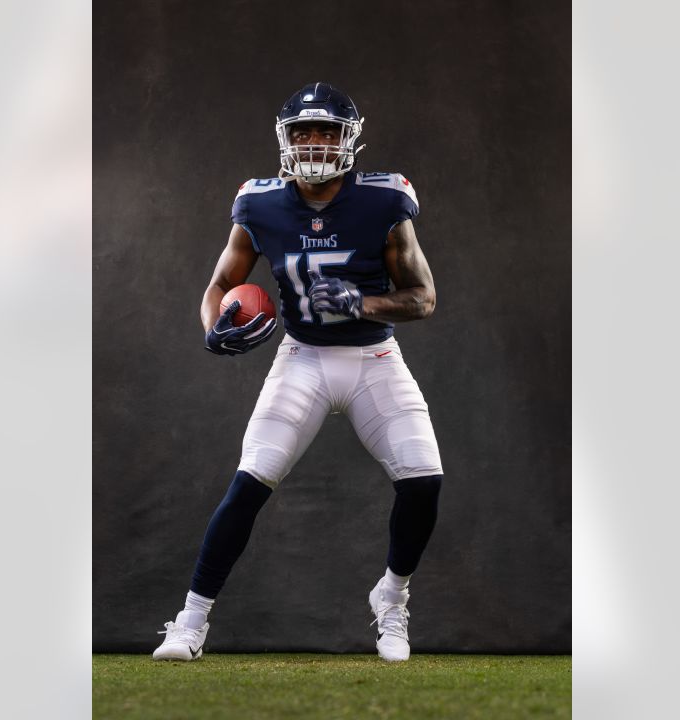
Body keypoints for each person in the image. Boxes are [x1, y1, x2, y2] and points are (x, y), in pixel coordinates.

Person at [153, 82, 444, 663]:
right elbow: (218, 286)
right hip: (303, 357)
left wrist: (361, 304)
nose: (314, 143)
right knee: (249, 482)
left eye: (327, 132)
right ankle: (189, 622)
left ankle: (391, 596)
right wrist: (213, 327)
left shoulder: (385, 201)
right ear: (284, 140)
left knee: (424, 479)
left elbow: (424, 297)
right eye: (303, 132)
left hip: (373, 358)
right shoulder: (258, 204)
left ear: (349, 139)